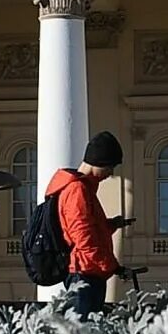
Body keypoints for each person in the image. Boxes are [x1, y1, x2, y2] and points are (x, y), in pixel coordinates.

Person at [45, 131, 129, 316]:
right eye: (109, 166)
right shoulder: (77, 190)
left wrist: (111, 225)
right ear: (98, 161)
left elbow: (87, 229)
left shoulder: (83, 189)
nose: (111, 172)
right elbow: (83, 237)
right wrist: (111, 265)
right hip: (84, 271)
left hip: (88, 270)